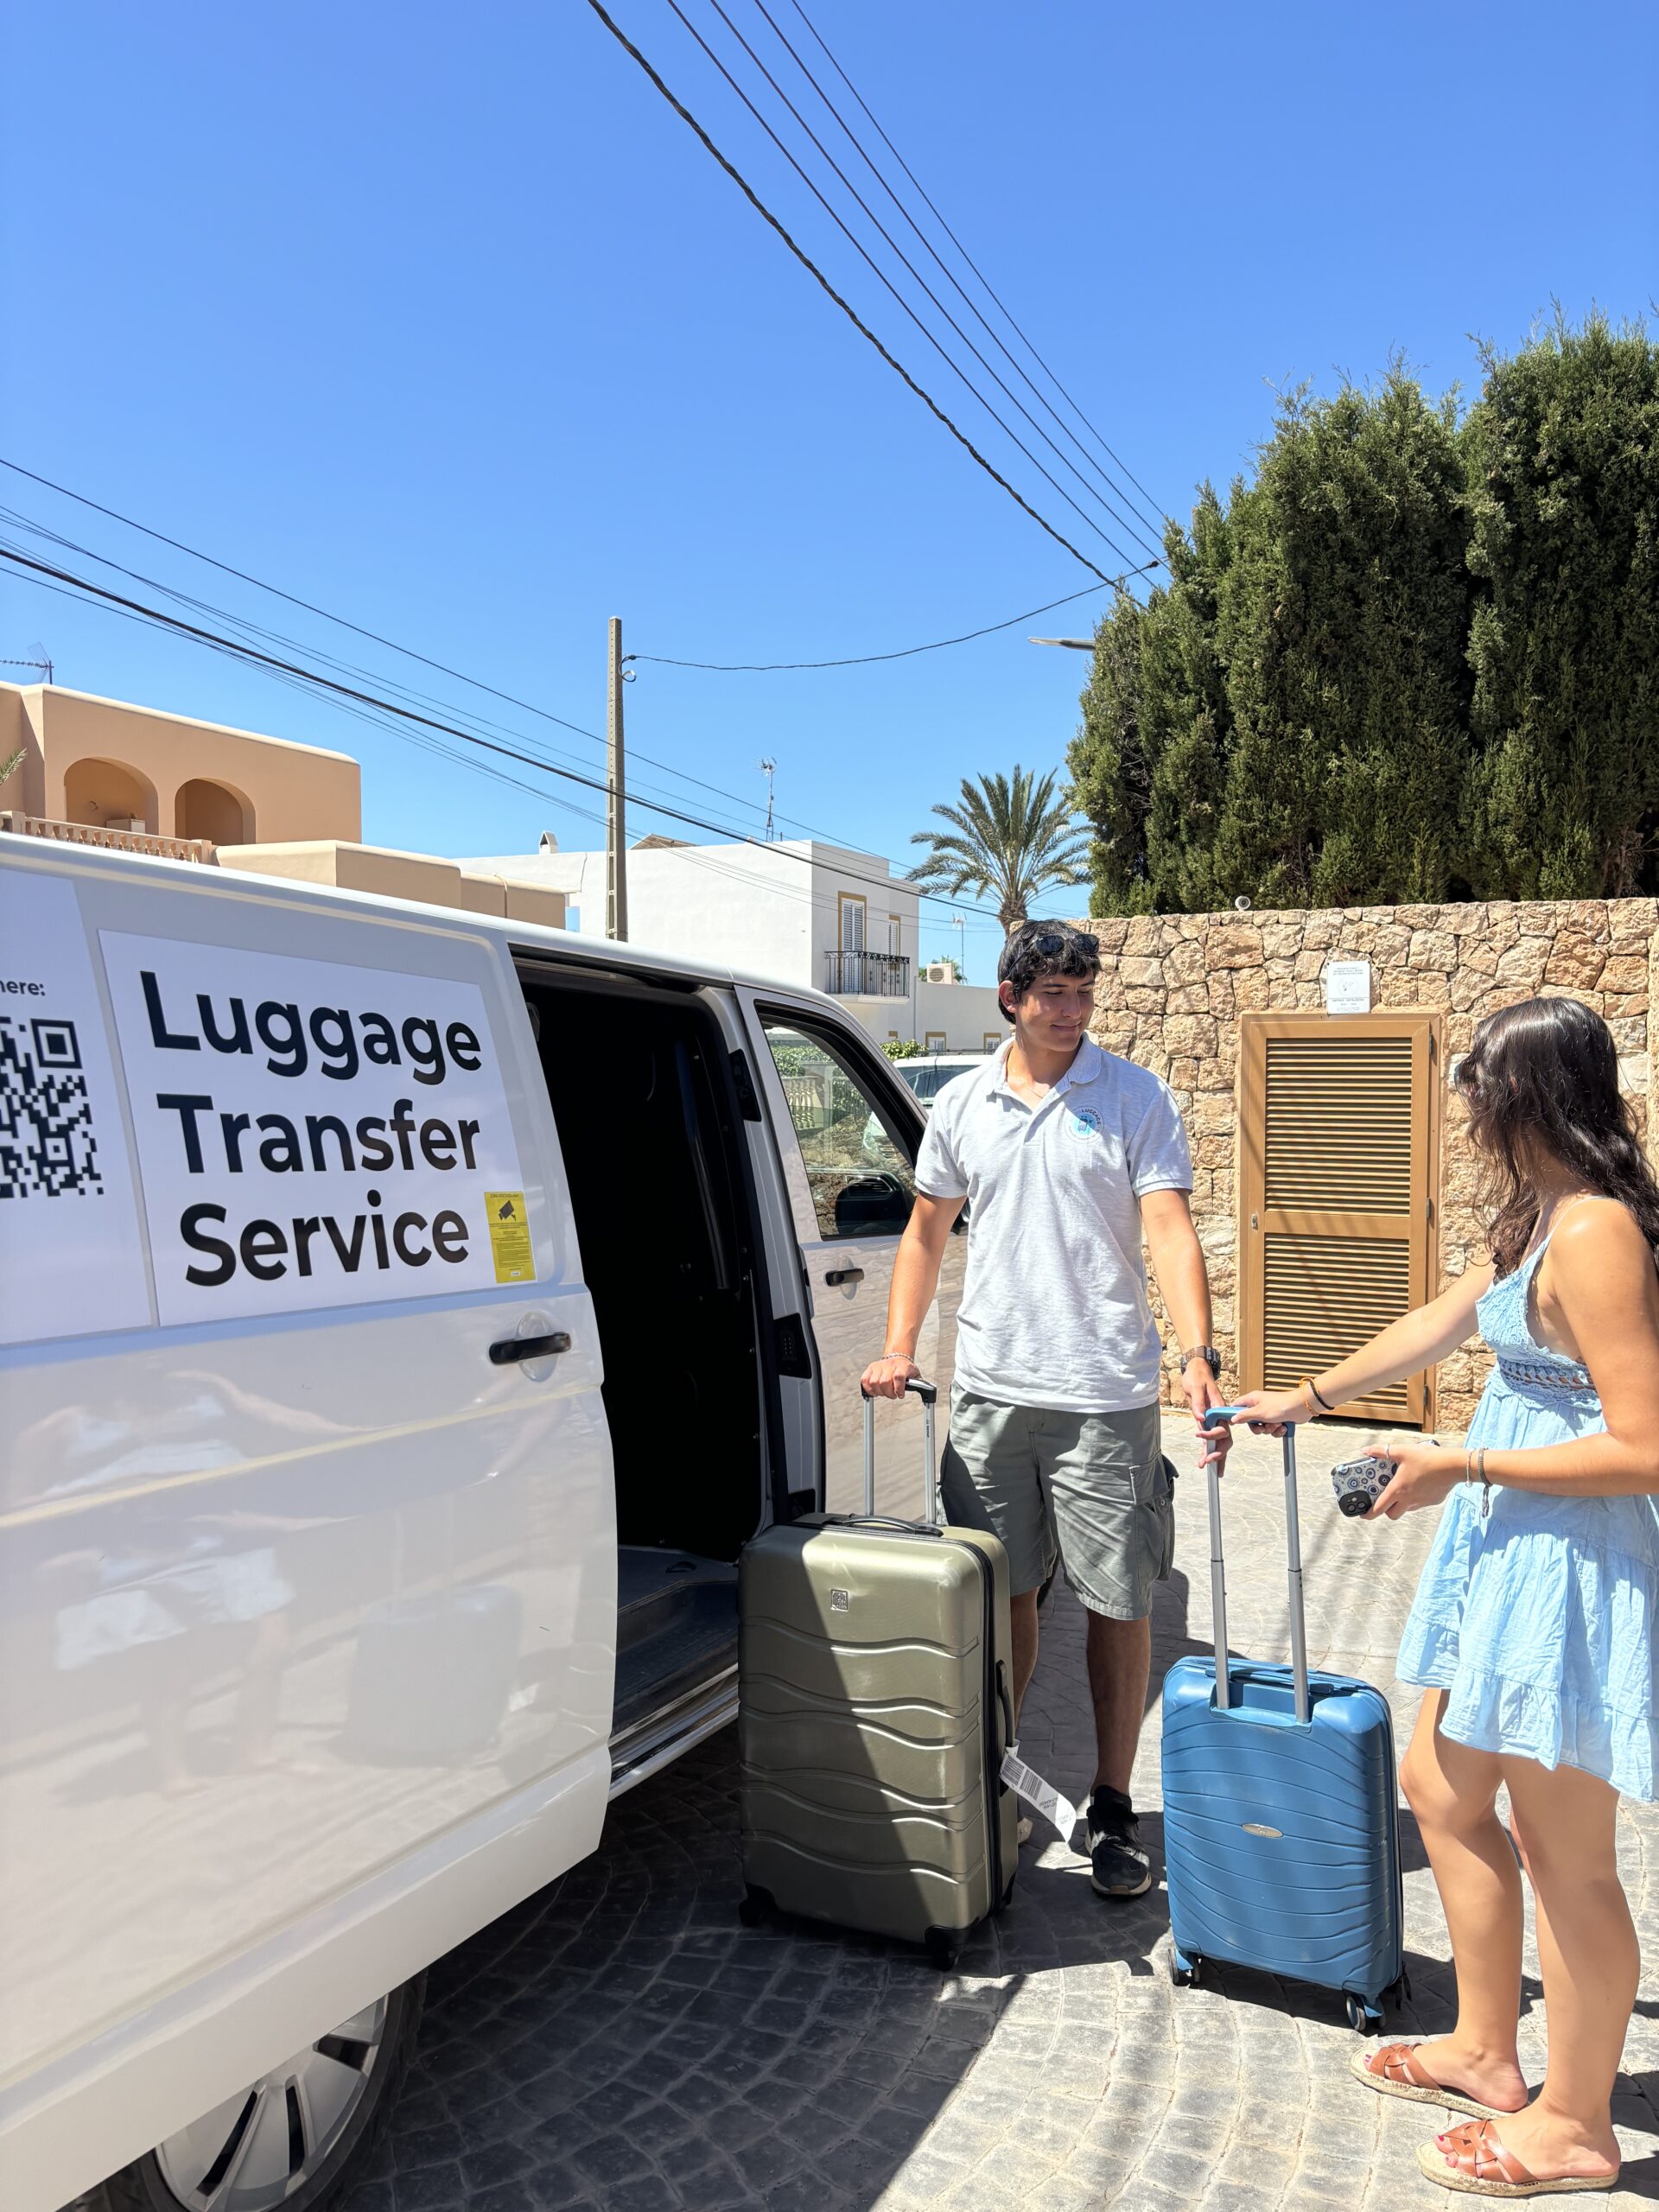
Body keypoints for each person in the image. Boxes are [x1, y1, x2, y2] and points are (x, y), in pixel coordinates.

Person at [1238, 995, 1659, 2199]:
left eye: (1477, 1081)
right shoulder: (1537, 1213)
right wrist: (1306, 1396)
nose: (1464, 1102)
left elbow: (1645, 1445)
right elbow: (1444, 1320)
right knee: (1439, 1784)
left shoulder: (1596, 1231)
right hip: (1506, 1551)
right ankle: (1485, 2049)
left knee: (1567, 1856)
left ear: (1524, 1093)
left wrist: (1459, 1463)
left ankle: (1576, 2125)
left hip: (1568, 1567)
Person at [861, 920, 1229, 1901]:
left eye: (1083, 991)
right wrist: (899, 1345)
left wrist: (1197, 1351)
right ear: (1010, 999)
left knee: (1119, 1597)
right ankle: (1001, 1778)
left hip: (1104, 1393)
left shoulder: (1133, 1095)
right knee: (1004, 1595)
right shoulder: (962, 1102)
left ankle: (1113, 1800)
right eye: (1053, 993)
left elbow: (1169, 1229)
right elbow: (924, 1234)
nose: (1072, 1010)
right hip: (990, 1391)